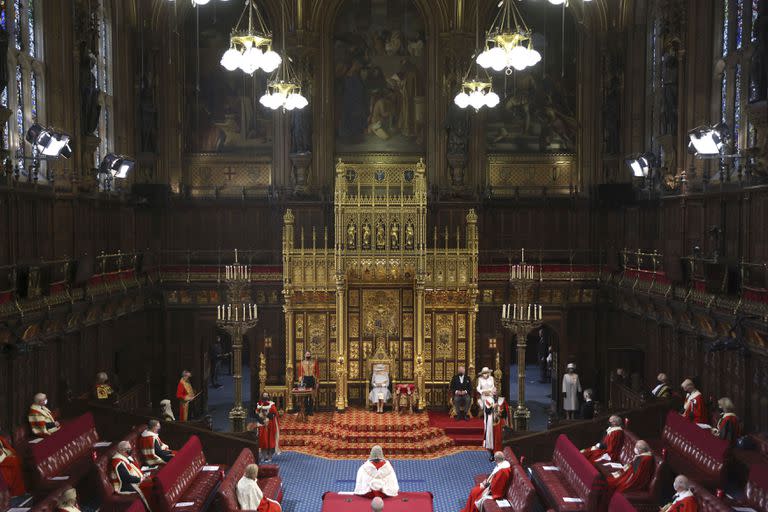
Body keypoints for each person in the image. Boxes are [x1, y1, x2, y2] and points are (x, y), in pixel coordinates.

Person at [476, 367, 497, 460]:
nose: (486, 374)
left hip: (490, 396)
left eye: (487, 373)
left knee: (491, 402)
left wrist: (491, 392)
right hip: (483, 396)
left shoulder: (492, 378)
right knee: (487, 403)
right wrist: (483, 392)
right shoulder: (479, 379)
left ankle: (493, 415)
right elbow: (478, 388)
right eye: (484, 373)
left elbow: (493, 388)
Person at [256, 393, 280, 463]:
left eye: (266, 395)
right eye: (264, 395)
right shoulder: (259, 404)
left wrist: (267, 414)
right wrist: (260, 419)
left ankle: (269, 457)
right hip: (262, 425)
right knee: (263, 441)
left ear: (268, 397)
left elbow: (274, 415)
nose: (265, 397)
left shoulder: (271, 405)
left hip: (270, 425)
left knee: (270, 441)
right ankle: (263, 456)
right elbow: (257, 414)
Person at [0, 431, 26, 496]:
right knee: (14, 461)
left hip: (4, 456)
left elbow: (5, 448)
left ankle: (19, 492)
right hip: (1, 460)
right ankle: (17, 493)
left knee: (17, 459)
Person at [298, 351, 319, 416]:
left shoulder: (314, 362)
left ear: (310, 355)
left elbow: (317, 372)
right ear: (305, 355)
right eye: (307, 354)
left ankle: (311, 410)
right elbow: (300, 372)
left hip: (312, 379)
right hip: (305, 379)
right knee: (306, 396)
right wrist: (300, 380)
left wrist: (317, 381)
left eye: (309, 354)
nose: (308, 355)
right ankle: (306, 410)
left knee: (311, 396)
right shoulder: (302, 363)